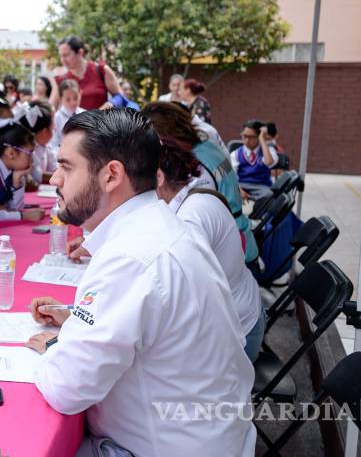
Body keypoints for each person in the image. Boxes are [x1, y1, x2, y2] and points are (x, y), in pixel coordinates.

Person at [26, 109, 256, 456]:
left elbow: (67, 388)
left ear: (111, 175)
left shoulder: (131, 256)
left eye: (67, 166)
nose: (55, 178)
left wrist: (54, 347)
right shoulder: (166, 226)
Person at [155, 136, 264, 362]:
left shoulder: (191, 218)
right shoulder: (190, 199)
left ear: (158, 177)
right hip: (240, 320)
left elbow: (181, 301)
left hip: (237, 339)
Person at [141, 102, 258, 270]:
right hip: (238, 242)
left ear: (164, 137)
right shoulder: (207, 147)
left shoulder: (195, 167)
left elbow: (185, 226)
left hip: (235, 257)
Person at [54, 36, 124, 111]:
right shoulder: (61, 79)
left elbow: (120, 97)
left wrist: (110, 104)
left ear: (80, 53)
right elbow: (52, 108)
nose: (63, 60)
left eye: (66, 55)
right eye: (61, 56)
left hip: (102, 121)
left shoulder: (101, 70)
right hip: (76, 122)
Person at [232, 119, 278, 200]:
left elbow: (269, 162)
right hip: (241, 185)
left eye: (251, 137)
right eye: (244, 136)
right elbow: (231, 176)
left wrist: (262, 139)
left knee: (270, 198)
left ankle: (259, 212)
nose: (246, 140)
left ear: (259, 136)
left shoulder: (268, 150)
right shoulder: (235, 154)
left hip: (262, 186)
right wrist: (238, 189)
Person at [17, 100, 56, 187]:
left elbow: (54, 167)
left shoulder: (46, 146)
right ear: (44, 131)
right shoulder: (27, 149)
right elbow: (38, 175)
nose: (55, 128)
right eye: (52, 126)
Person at [52, 79, 84, 151]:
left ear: (80, 94)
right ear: (60, 99)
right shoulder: (56, 118)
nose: (73, 102)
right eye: (68, 99)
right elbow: (53, 144)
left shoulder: (85, 114)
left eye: (75, 98)